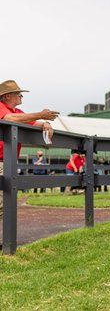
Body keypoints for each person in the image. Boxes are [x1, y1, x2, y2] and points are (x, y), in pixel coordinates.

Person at [0, 80, 59, 249]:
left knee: (5, 203)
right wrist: (40, 115)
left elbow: (31, 122)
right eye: (18, 93)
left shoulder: (17, 111)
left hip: (7, 162)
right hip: (2, 161)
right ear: (7, 96)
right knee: (3, 203)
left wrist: (45, 123)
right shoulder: (3, 109)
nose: (21, 96)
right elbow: (10, 119)